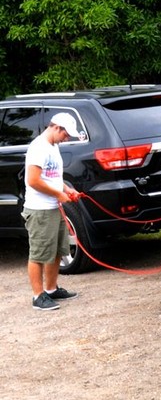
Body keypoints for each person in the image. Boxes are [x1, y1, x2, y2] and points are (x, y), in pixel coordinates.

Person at [24, 112, 83, 311]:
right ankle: (37, 296)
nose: (67, 138)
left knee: (57, 250)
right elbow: (33, 180)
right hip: (40, 210)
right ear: (56, 127)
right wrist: (58, 195)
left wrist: (66, 190)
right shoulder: (38, 147)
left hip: (53, 208)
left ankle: (51, 289)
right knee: (39, 254)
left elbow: (53, 177)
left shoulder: (54, 146)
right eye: (66, 134)